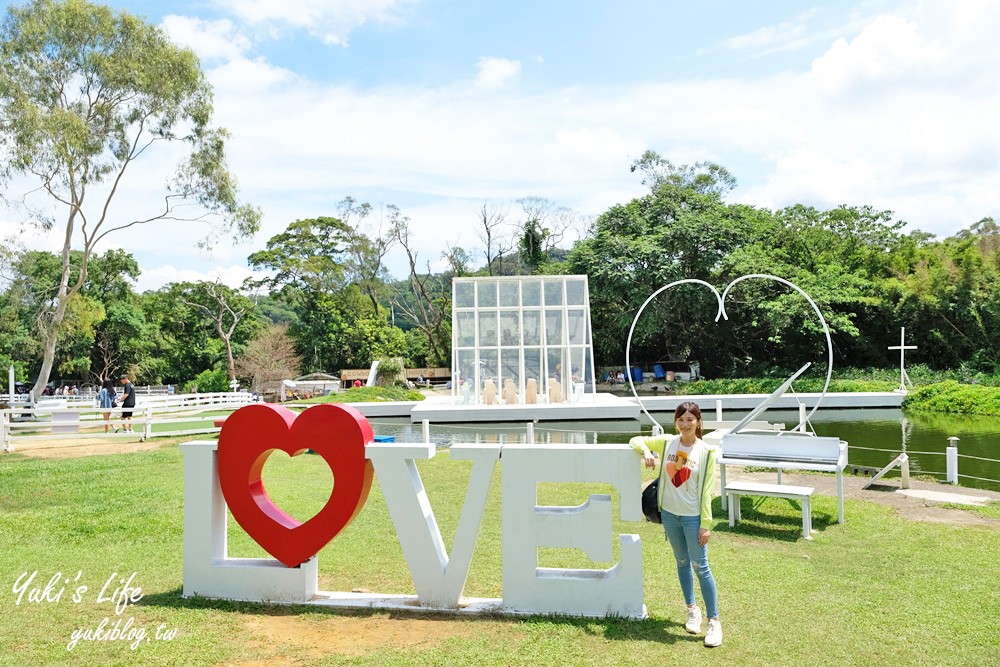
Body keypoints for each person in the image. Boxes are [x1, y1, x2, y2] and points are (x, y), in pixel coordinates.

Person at [630, 401, 722, 647]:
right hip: (669, 515)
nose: (685, 424)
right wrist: (647, 453)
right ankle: (692, 609)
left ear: (698, 422)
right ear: (676, 422)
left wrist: (705, 523)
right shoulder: (669, 442)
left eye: (690, 420)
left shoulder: (706, 451)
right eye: (681, 420)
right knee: (681, 562)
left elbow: (707, 491)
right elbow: (635, 440)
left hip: (693, 517)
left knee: (700, 566)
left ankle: (714, 621)